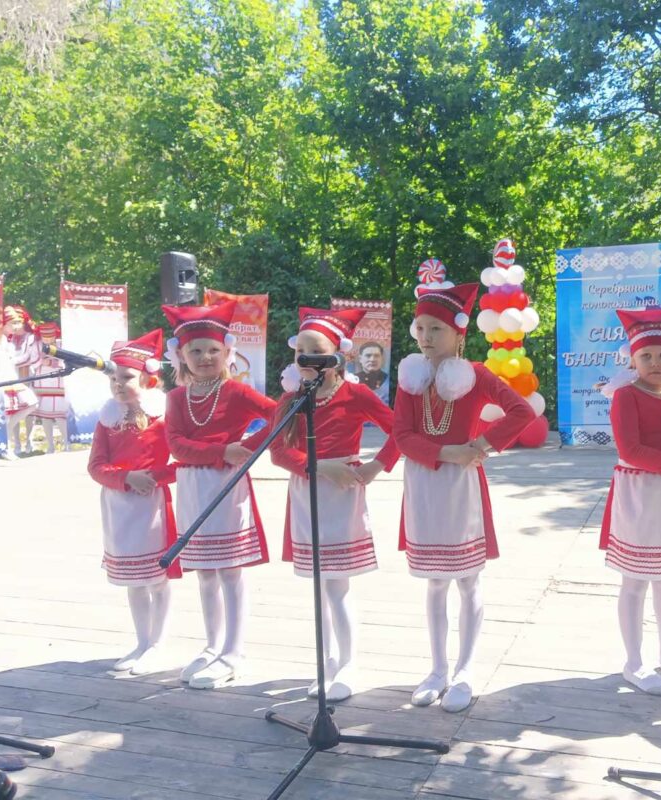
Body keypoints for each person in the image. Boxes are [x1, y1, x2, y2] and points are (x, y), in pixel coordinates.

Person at [393, 281, 536, 713]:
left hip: (461, 489)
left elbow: (522, 411)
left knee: (467, 578)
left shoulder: (476, 374)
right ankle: (437, 670)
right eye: (420, 328)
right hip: (423, 484)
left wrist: (481, 445)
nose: (425, 337)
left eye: (435, 328)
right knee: (435, 580)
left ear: (459, 332)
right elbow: (402, 436)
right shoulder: (410, 378)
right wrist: (445, 452)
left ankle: (466, 670)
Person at [269, 307, 399, 702]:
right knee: (318, 585)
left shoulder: (354, 394)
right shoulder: (292, 398)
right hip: (307, 490)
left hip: (342, 494)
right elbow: (278, 451)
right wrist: (318, 466)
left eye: (317, 351)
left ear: (337, 356)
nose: (307, 358)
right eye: (300, 351)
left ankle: (348, 664)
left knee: (337, 584)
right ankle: (325, 663)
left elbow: (400, 431)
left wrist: (376, 466)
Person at [162, 300, 278, 689]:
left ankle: (234, 650)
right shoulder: (176, 398)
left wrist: (246, 449)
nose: (205, 357)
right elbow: (176, 445)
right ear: (182, 355)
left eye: (213, 349)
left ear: (227, 351)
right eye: (196, 350)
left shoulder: (237, 392)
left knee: (230, 570)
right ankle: (212, 644)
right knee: (205, 572)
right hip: (193, 487)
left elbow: (281, 416)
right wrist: (221, 450)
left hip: (228, 487)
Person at [598, 305, 661, 696]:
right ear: (633, 359)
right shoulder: (626, 396)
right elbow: (631, 449)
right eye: (647, 355)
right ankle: (633, 662)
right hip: (639, 492)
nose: (656, 362)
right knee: (635, 580)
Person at [88, 330, 180, 676]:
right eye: (113, 378)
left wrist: (153, 477)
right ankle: (142, 642)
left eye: (126, 377)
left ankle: (159, 644)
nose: (118, 384)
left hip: (151, 505)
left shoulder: (163, 418)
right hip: (118, 507)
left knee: (156, 577)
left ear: (147, 377)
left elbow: (181, 461)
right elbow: (96, 465)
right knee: (133, 579)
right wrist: (125, 478)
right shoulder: (107, 419)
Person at [1, 305, 40, 459]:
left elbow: (28, 357)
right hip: (6, 378)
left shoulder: (10, 338)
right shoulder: (2, 339)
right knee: (10, 412)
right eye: (13, 323)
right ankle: (8, 446)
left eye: (18, 322)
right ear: (5, 323)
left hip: (16, 377)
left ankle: (10, 435)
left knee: (31, 403)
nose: (17, 326)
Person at [29, 323, 70, 453]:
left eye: (50, 336)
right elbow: (31, 361)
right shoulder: (36, 345)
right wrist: (41, 361)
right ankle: (50, 446)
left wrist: (53, 362)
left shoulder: (61, 344)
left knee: (60, 415)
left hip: (58, 383)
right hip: (42, 383)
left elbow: (67, 360)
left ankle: (66, 444)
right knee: (45, 415)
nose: (47, 339)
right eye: (45, 337)